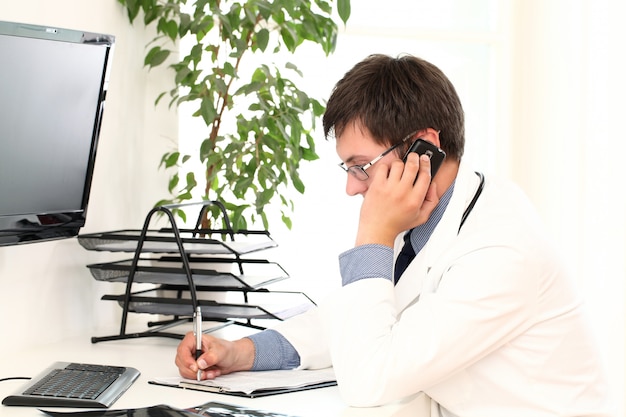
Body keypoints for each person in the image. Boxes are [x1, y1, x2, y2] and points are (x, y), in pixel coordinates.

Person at [175, 54, 613, 416]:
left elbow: (368, 382)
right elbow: (350, 319)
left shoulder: (500, 251)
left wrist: (374, 234)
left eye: (361, 165)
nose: (352, 186)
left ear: (424, 146)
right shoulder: (434, 214)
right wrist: (239, 352)